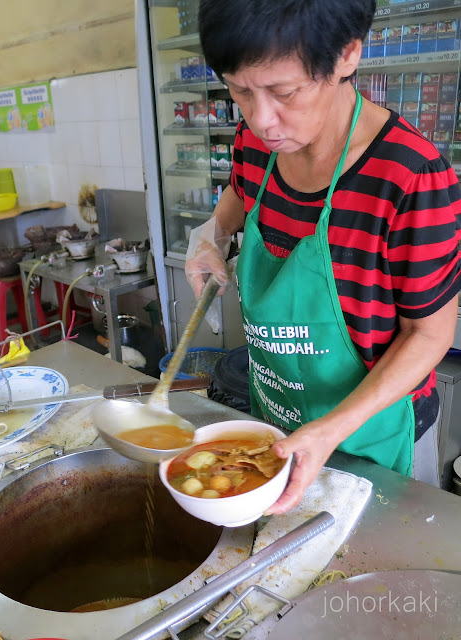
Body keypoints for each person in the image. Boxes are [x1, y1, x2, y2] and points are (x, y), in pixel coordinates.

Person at [185, 0, 461, 514]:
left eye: (284, 92)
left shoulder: (409, 176)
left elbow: (430, 333)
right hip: (275, 416)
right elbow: (239, 193)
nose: (262, 119)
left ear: (347, 56)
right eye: (240, 90)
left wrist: (328, 432)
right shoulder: (255, 140)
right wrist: (213, 233)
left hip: (373, 436)